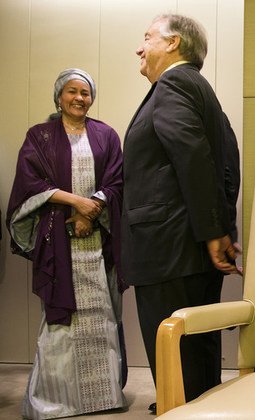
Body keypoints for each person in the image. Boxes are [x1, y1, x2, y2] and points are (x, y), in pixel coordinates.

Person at [122, 14, 240, 412]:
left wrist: (214, 232)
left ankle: (179, 409)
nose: (140, 47)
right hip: (190, 247)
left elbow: (192, 156)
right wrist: (220, 228)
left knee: (175, 350)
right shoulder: (200, 89)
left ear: (173, 43)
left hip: (168, 248)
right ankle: (189, 407)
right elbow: (226, 160)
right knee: (195, 351)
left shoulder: (172, 82)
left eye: (147, 37)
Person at [6, 68, 127, 419]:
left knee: (102, 317)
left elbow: (117, 180)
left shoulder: (106, 134)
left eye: (85, 93)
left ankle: (103, 397)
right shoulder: (40, 136)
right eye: (72, 92)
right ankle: (55, 401)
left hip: (94, 241)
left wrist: (91, 211)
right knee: (60, 324)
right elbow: (29, 183)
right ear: (59, 96)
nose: (79, 99)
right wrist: (75, 203)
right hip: (58, 241)